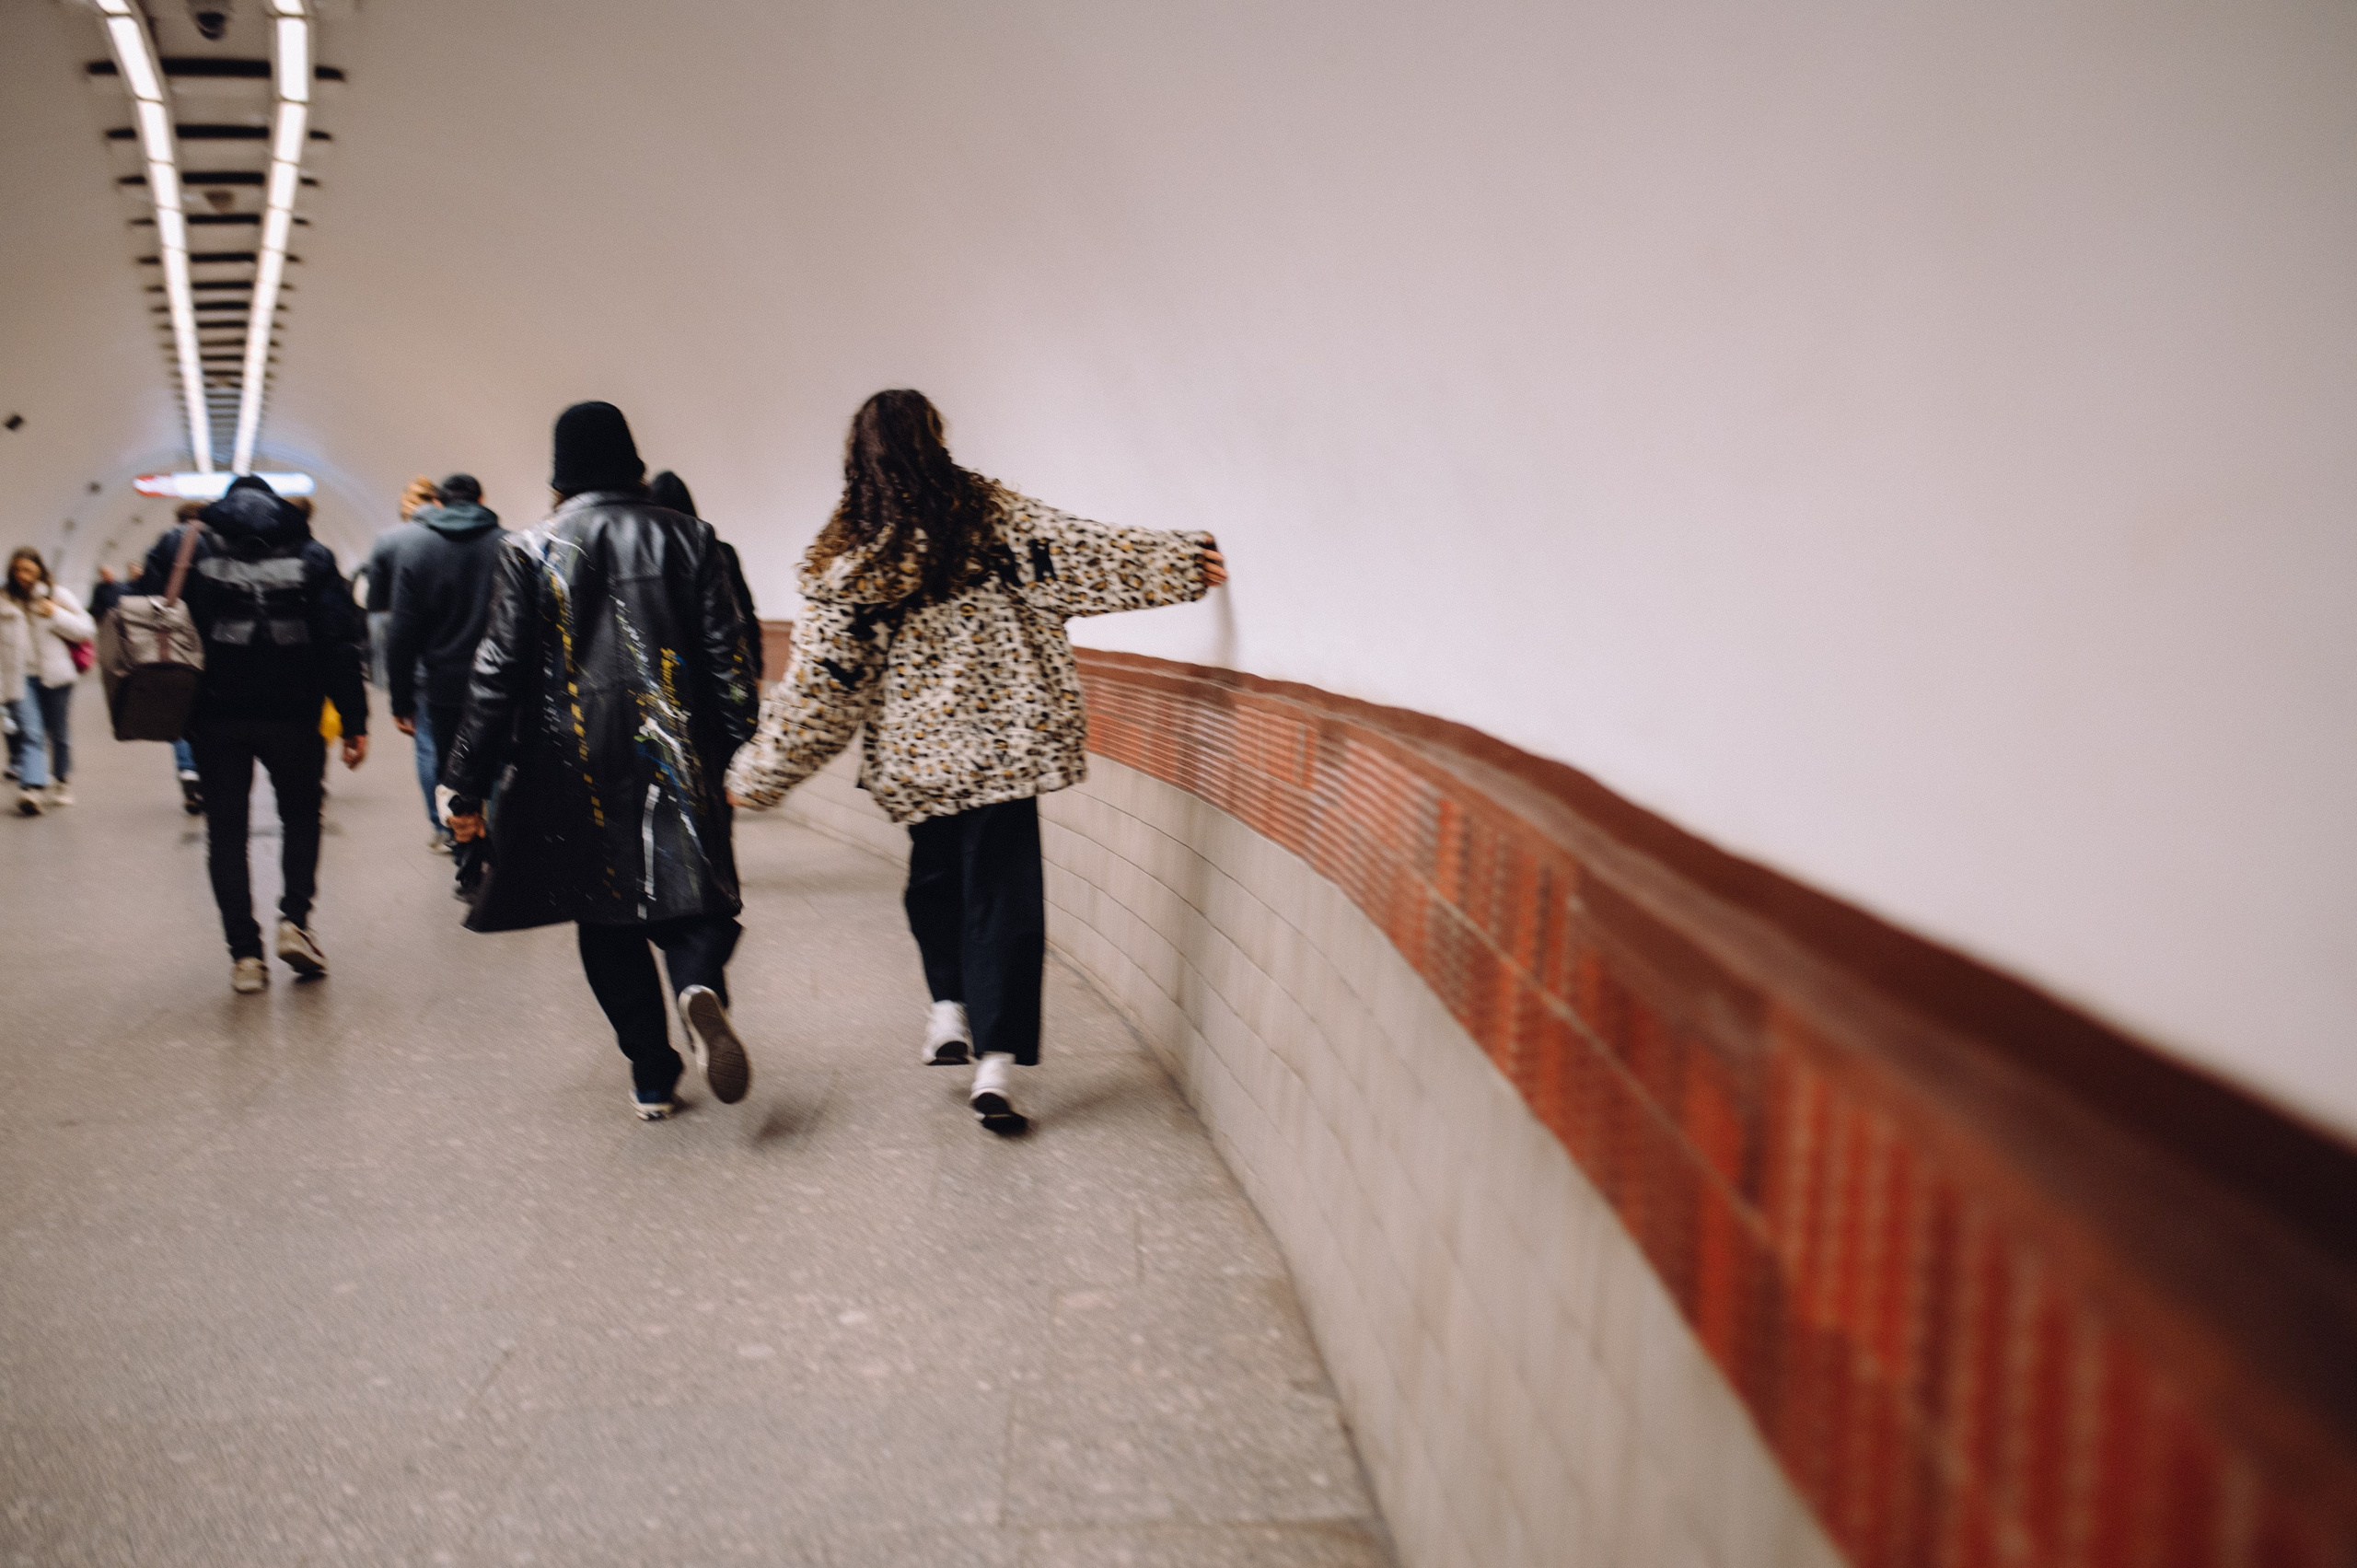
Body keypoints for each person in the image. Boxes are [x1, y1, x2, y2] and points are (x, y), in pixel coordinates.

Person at [724, 389, 1226, 1132]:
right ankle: (995, 1063)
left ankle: (948, 1010)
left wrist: (753, 777)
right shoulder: (1000, 523)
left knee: (935, 887)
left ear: (856, 458)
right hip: (1005, 753)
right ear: (936, 437)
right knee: (1004, 901)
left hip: (919, 766)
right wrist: (1184, 561)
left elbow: (822, 691)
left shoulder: (850, 563)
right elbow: (1090, 552)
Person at [440, 402, 761, 1121]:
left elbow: (497, 674)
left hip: (572, 761)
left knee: (605, 918)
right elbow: (729, 659)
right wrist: (744, 746)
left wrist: (463, 777)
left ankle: (652, 1072)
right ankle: (697, 985)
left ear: (560, 474)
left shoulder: (530, 548)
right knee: (697, 896)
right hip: (679, 750)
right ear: (633, 462)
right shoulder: (691, 538)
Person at [137, 475, 369, 993]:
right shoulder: (313, 553)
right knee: (302, 818)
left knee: (227, 833)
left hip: (214, 715)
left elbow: (142, 612)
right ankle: (295, 923)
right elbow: (339, 641)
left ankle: (245, 955)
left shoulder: (182, 546)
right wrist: (354, 721)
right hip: (295, 715)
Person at [384, 473, 504, 860]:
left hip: (444, 682)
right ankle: (499, 847)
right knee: (500, 765)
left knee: (451, 767)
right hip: (502, 679)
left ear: (438, 503)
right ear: (481, 497)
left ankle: (463, 851)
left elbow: (402, 632)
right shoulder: (509, 544)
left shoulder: (416, 548)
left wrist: (400, 699)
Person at [363, 476, 446, 846]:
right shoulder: (465, 537)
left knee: (427, 743)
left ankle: (442, 827)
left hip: (416, 657)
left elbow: (380, 613)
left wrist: (390, 683)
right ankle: (476, 820)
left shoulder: (389, 541)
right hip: (466, 656)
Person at [3, 548, 98, 815]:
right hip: (21, 677)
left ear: (40, 572)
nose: (23, 576)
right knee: (31, 733)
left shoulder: (57, 595)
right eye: (18, 570)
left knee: (59, 733)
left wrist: (55, 614)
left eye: (29, 571)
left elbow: (86, 629)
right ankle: (31, 788)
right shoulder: (4, 600)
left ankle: (62, 779)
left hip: (56, 675)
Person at [647, 470, 762, 681]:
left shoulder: (648, 563)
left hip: (671, 673)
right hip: (717, 668)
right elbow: (746, 613)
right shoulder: (719, 551)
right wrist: (756, 669)